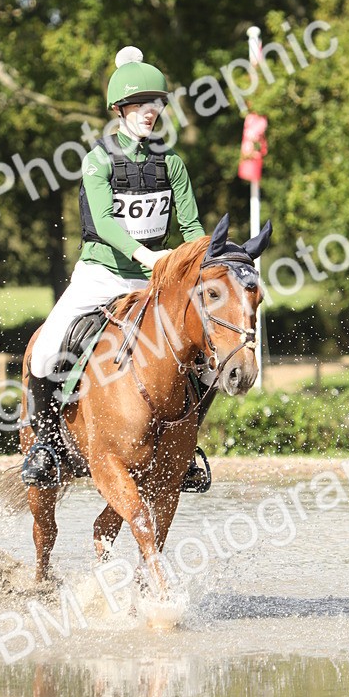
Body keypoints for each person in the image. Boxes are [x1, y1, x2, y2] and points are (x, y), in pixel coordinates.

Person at [22, 46, 211, 490]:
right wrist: (146, 255)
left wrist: (205, 264)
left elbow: (190, 225)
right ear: (120, 108)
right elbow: (104, 221)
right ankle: (46, 445)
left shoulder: (173, 165)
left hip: (154, 281)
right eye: (142, 104)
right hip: (101, 273)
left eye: (157, 103)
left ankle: (183, 450)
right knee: (49, 347)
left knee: (205, 358)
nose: (151, 112)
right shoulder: (98, 160)